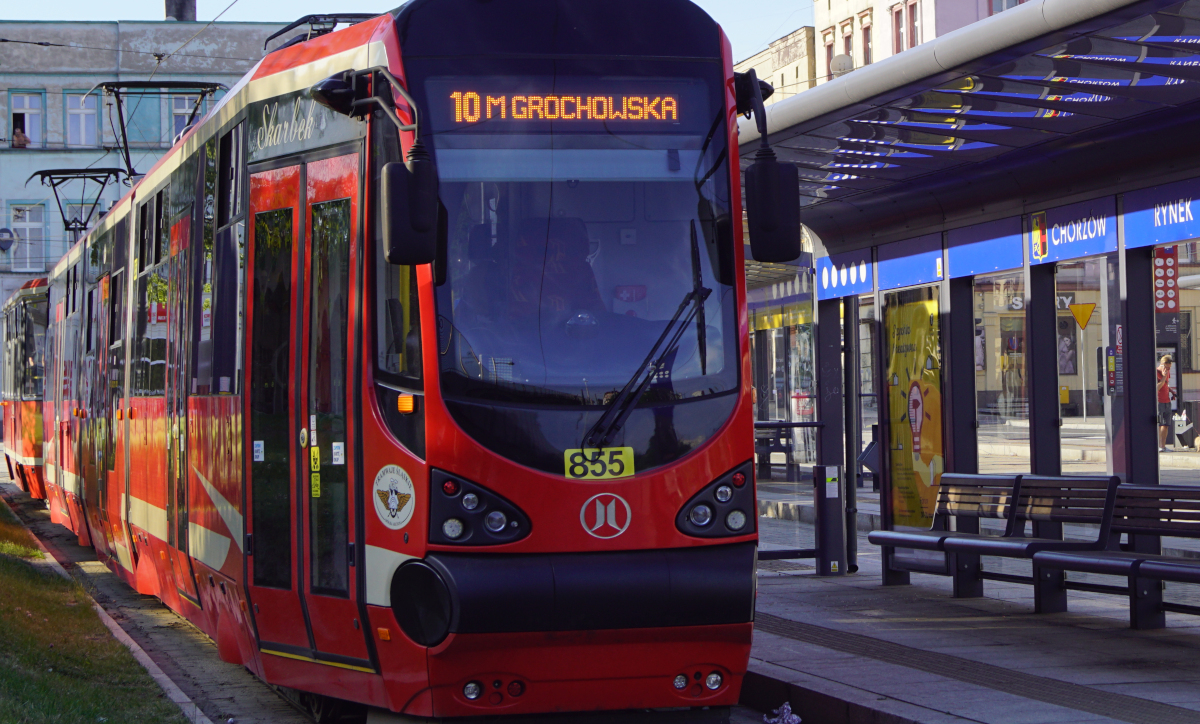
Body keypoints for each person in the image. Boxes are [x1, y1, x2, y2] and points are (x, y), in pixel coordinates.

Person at [1158, 354, 1176, 452]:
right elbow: (1157, 387)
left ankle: (1163, 446)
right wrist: (1164, 376)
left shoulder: (1167, 372)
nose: (1168, 369)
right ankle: (1159, 446)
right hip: (1159, 401)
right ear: (1162, 364)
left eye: (1169, 368)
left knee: (1166, 424)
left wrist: (1171, 391)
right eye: (1167, 367)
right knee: (1160, 424)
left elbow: (1165, 384)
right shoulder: (1157, 372)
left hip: (1167, 400)